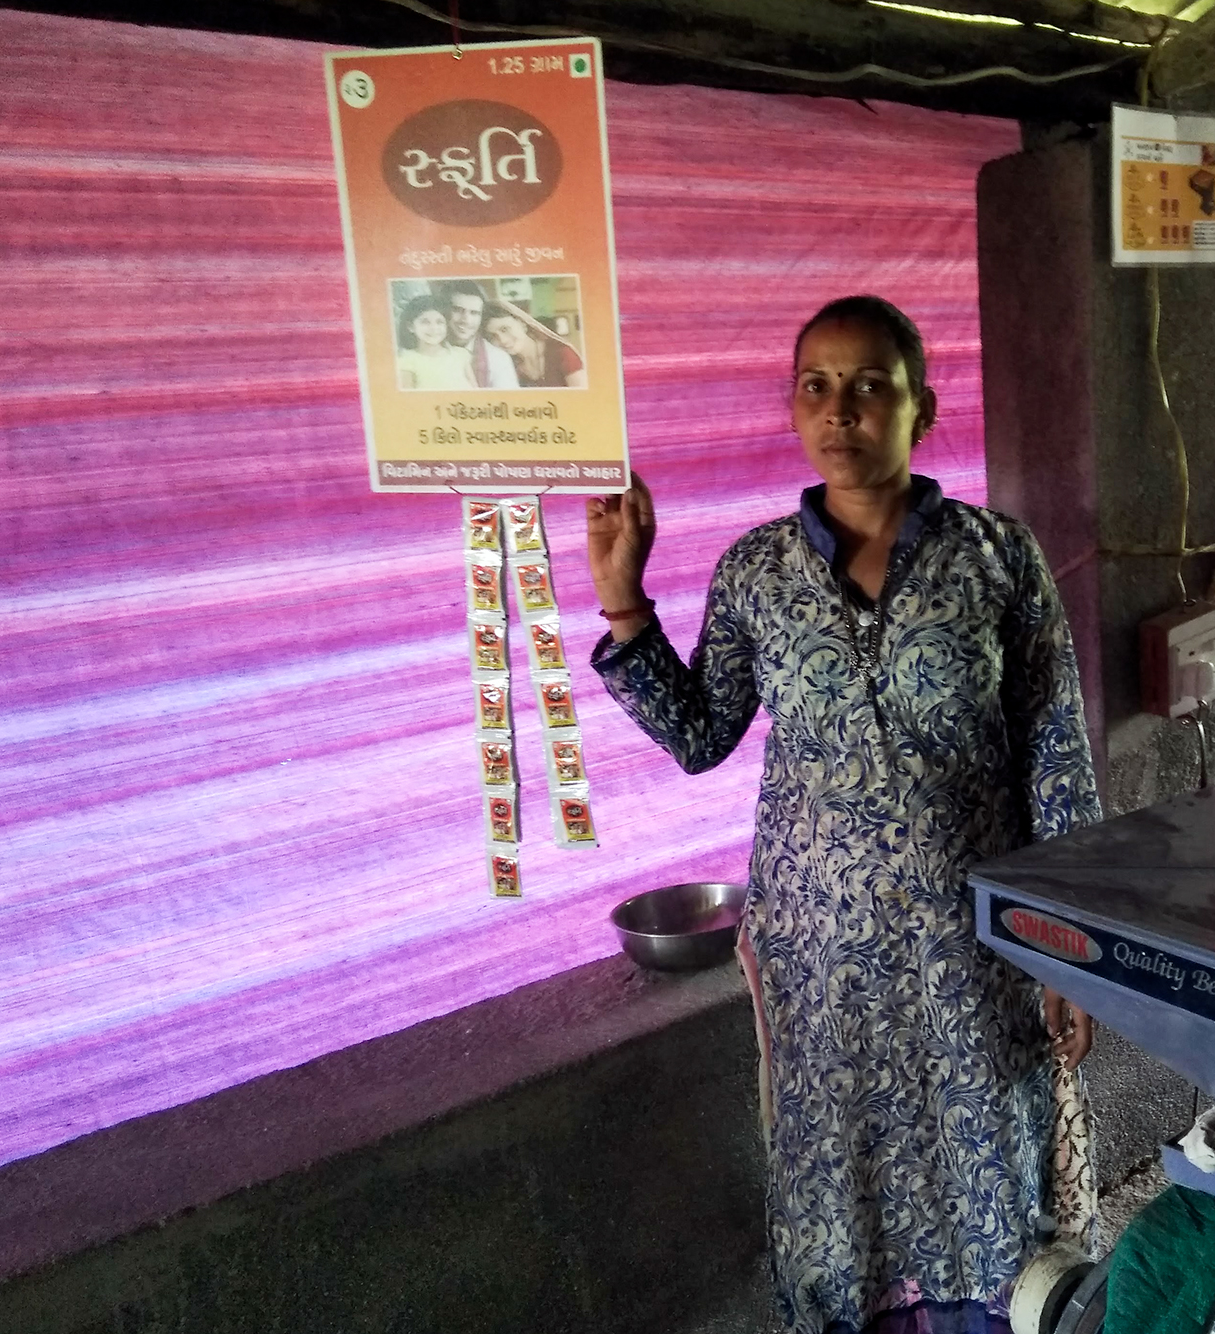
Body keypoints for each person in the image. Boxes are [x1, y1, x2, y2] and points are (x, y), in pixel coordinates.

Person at [586, 295, 1100, 1334]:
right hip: (823, 952)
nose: (841, 410)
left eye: (871, 384)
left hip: (977, 944)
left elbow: (1056, 755)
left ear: (921, 407)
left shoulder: (996, 558)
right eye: (816, 385)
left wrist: (1068, 947)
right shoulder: (756, 571)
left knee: (989, 1150)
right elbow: (700, 735)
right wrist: (623, 600)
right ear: (793, 407)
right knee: (842, 1171)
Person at [436, 280, 520, 389]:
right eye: (458, 310)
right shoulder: (423, 350)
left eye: (474, 313)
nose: (466, 320)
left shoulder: (497, 358)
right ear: (443, 310)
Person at [482, 303, 584, 388]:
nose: (502, 340)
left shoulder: (562, 353)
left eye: (505, 329)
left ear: (522, 323)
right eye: (492, 336)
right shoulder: (506, 366)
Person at [393, 295, 475, 391]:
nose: (433, 328)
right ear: (411, 326)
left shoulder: (460, 355)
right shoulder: (407, 360)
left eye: (439, 322)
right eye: (425, 322)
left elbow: (476, 392)